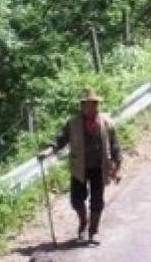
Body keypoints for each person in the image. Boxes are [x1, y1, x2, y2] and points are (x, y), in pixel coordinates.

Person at [38, 89, 122, 244]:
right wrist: (49, 150)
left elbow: (115, 145)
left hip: (99, 167)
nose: (90, 107)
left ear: (97, 105)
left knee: (97, 202)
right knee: (76, 200)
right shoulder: (73, 123)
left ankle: (93, 231)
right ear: (82, 106)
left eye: (93, 104)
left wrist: (117, 166)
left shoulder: (106, 122)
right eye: (86, 104)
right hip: (79, 167)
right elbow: (60, 138)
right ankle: (83, 221)